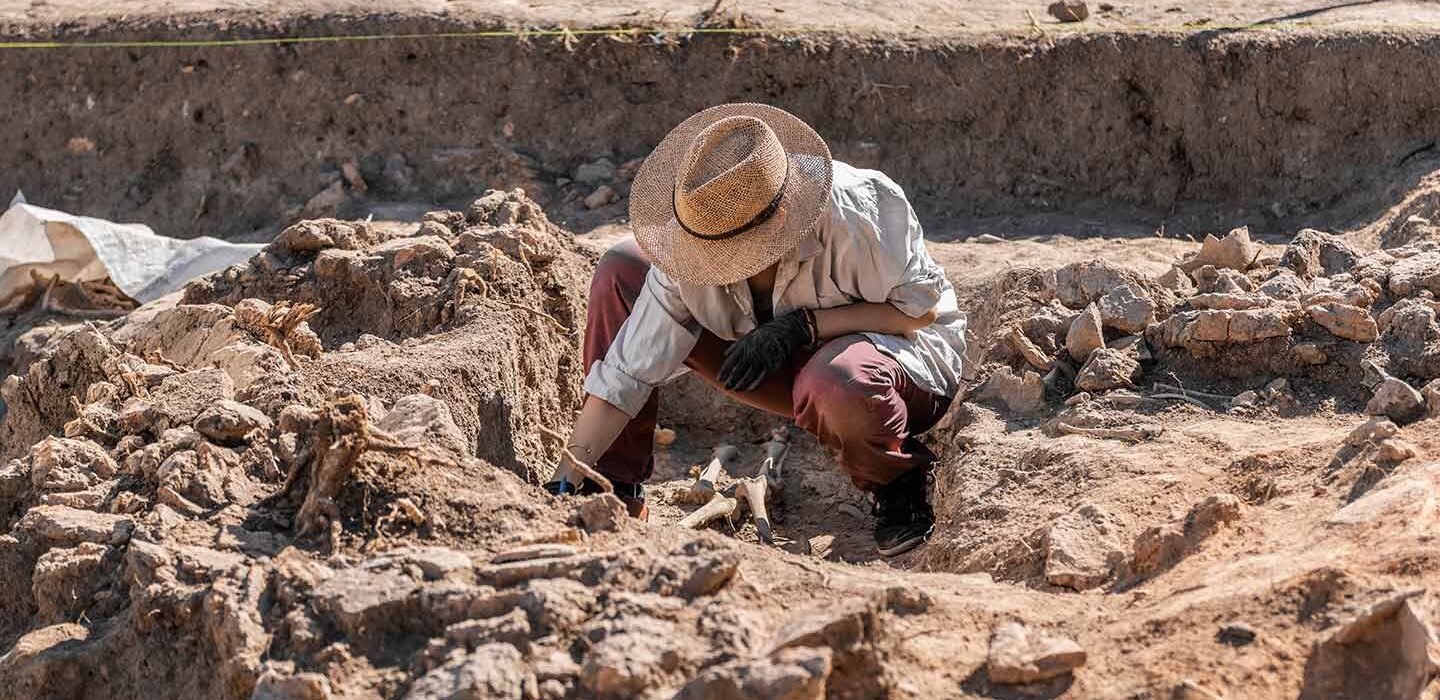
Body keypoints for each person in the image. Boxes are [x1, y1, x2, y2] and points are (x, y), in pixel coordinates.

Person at [546, 103, 967, 556]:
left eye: (733, 252)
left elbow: (918, 313)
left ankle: (897, 481)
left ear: (781, 217)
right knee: (623, 268)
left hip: (895, 366)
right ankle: (609, 489)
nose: (715, 267)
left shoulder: (859, 212)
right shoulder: (695, 232)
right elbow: (626, 370)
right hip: (774, 365)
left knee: (836, 380)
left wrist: (804, 327)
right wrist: (569, 475)